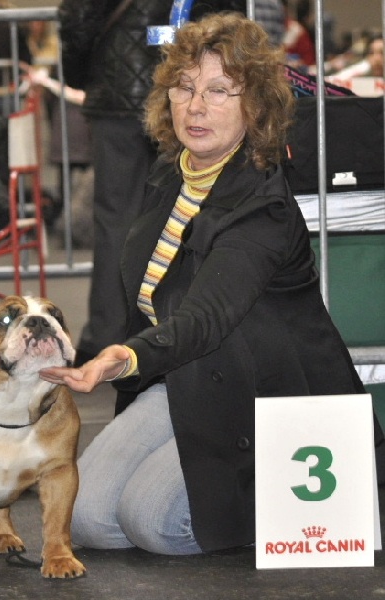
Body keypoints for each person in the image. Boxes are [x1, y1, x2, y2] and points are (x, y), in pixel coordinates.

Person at [40, 12, 385, 555]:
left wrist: (125, 358)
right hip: (184, 375)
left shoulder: (262, 206)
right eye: (184, 87)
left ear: (256, 107)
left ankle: (297, 510)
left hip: (264, 395)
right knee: (86, 519)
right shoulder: (170, 172)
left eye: (219, 91)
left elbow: (204, 318)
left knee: (152, 524)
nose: (195, 106)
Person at [58, 0, 246, 367]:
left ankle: (107, 337)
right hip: (193, 89)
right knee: (197, 206)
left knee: (115, 221)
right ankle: (186, 332)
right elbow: (229, 15)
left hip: (118, 91)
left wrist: (84, 72)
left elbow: (78, 17)